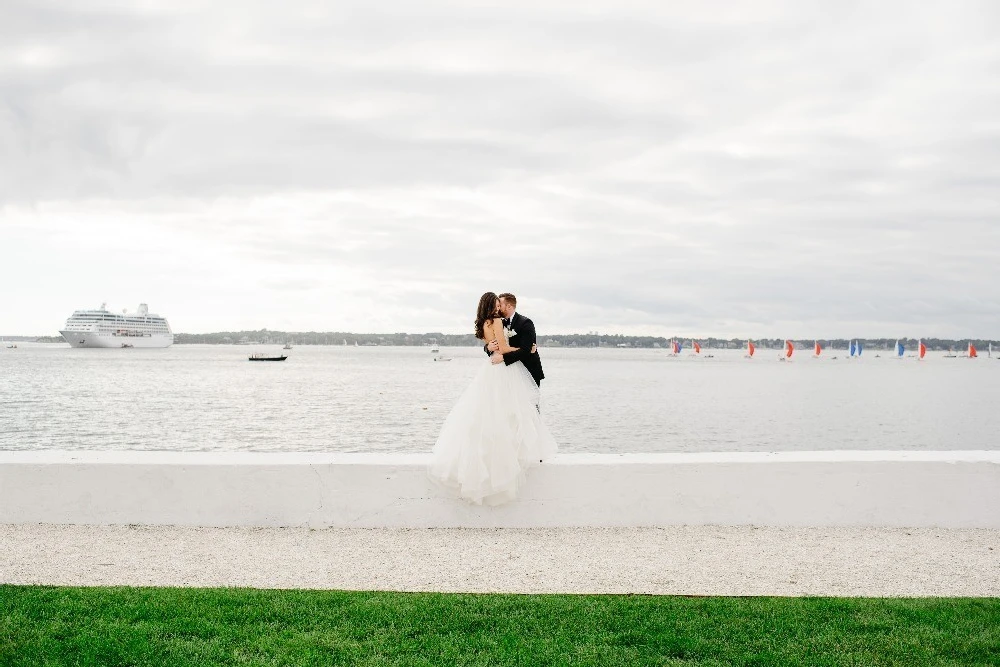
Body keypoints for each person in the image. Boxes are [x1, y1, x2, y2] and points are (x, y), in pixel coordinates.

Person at [428, 292, 557, 505]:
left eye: (502, 304)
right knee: (508, 409)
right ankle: (513, 454)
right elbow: (499, 347)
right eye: (497, 304)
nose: (500, 307)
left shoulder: (522, 323)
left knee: (518, 409)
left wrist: (526, 351)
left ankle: (530, 452)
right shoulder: (497, 320)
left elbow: (508, 348)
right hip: (506, 370)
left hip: (522, 370)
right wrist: (497, 349)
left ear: (509, 305)